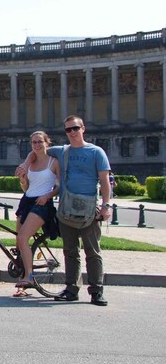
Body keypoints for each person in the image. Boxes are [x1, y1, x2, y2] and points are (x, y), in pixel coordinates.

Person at [16, 115, 111, 306]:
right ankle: (71, 289)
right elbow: (37, 150)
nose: (72, 132)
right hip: (66, 208)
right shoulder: (61, 151)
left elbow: (104, 180)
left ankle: (96, 291)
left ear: (83, 128)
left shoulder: (96, 152)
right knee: (70, 251)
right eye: (68, 130)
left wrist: (107, 205)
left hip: (89, 208)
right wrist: (26, 163)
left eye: (75, 128)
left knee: (93, 251)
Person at [11, 130, 59, 297]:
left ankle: (29, 277)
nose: (37, 145)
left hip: (42, 204)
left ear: (47, 142)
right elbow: (27, 188)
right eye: (34, 142)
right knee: (19, 243)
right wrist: (23, 180)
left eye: (40, 142)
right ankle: (22, 285)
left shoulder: (54, 162)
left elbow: (60, 186)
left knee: (23, 238)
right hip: (27, 201)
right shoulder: (30, 163)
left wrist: (47, 196)